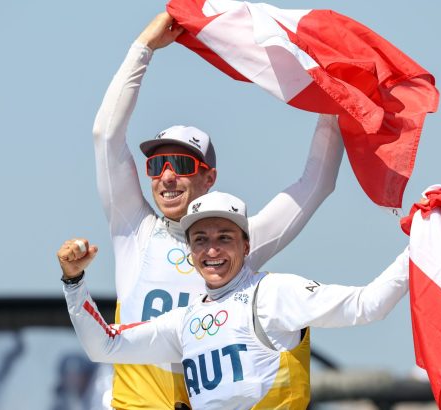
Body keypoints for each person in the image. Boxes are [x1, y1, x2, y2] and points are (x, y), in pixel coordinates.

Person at [90, 11, 344, 409]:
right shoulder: (134, 229)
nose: (168, 176)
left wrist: (336, 102)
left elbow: (315, 184)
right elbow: (105, 136)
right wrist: (142, 49)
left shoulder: (239, 241)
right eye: (157, 165)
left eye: (183, 164)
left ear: (209, 178)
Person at [58, 191, 409, 409]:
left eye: (224, 237)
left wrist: (421, 244)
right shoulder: (186, 321)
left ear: (246, 245)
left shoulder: (273, 293)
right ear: (191, 250)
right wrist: (74, 282)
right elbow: (103, 346)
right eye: (200, 240)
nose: (211, 250)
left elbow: (369, 304)